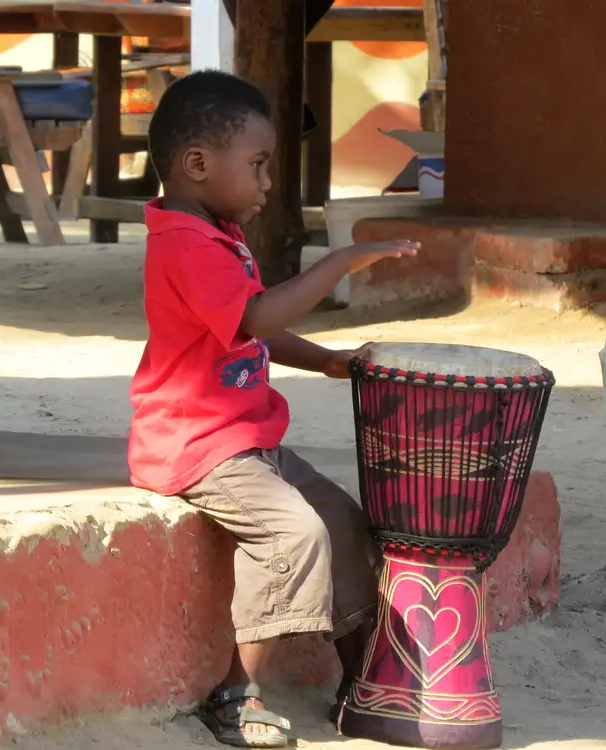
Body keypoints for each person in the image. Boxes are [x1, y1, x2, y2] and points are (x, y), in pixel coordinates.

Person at [127, 69, 419, 749]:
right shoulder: (183, 244)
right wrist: (339, 262)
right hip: (198, 446)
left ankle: (366, 681)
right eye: (258, 166)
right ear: (198, 164)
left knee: (343, 523)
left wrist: (322, 360)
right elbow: (256, 315)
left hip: (246, 440)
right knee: (294, 531)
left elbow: (244, 326)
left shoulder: (215, 235)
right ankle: (235, 694)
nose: (266, 184)